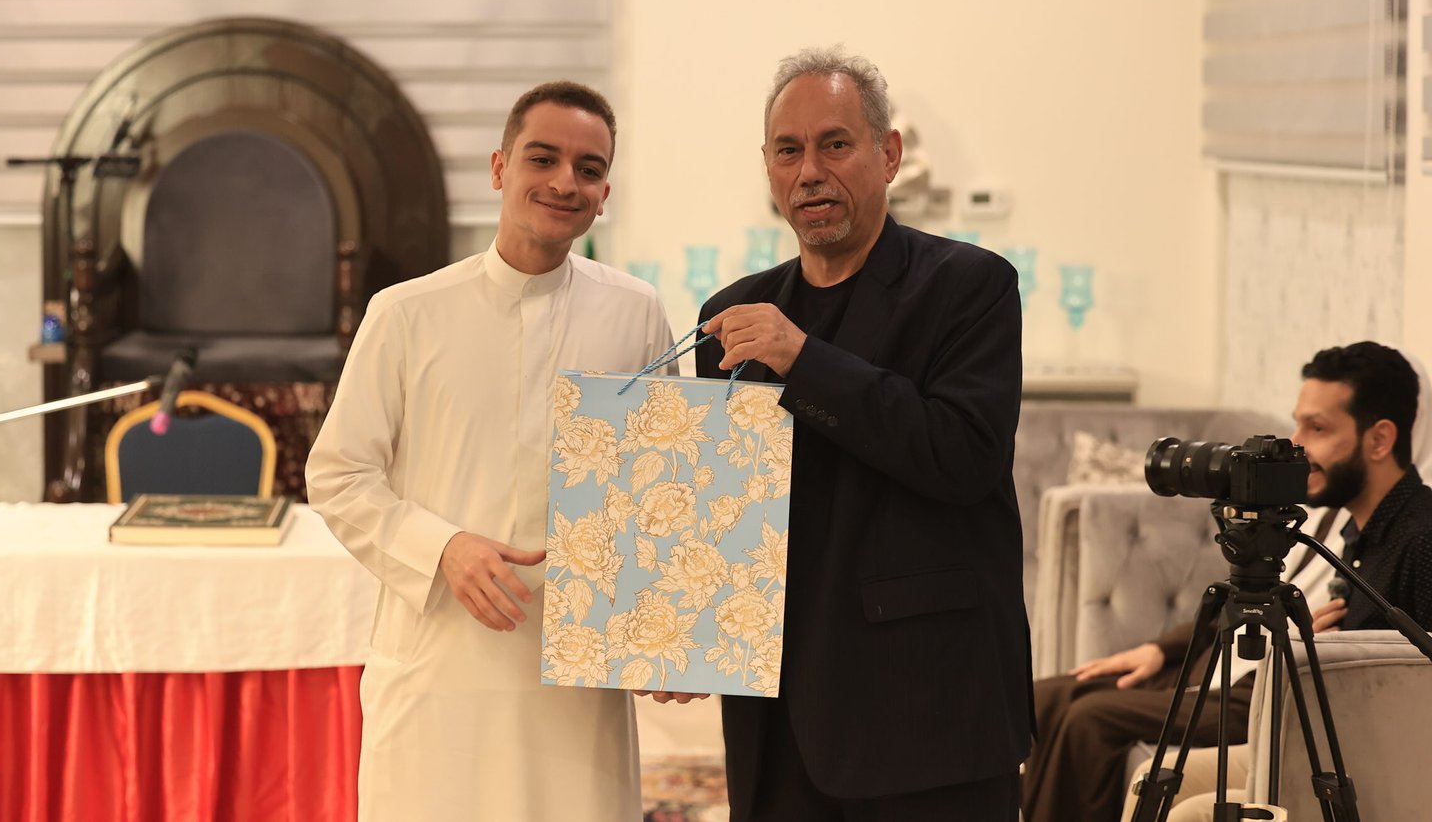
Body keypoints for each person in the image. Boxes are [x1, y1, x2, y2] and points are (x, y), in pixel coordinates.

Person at [306, 81, 674, 822]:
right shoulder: (406, 313)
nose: (565, 182)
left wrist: (664, 630)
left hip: (576, 686)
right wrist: (442, 548)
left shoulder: (635, 313)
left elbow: (662, 490)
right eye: (543, 158)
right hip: (439, 662)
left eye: (589, 168)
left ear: (604, 195)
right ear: (501, 167)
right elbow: (339, 474)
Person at [694, 47, 1031, 821]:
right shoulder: (732, 315)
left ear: (889, 154)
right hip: (775, 721)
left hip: (928, 714)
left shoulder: (971, 287)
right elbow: (721, 512)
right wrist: (683, 631)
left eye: (835, 144)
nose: (810, 171)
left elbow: (963, 456)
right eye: (788, 151)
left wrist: (802, 359)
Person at [1026, 340, 1432, 822]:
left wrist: (1323, 652)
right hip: (1270, 686)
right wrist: (1160, 649)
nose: (1296, 445)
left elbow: (1408, 686)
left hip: (1309, 719)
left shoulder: (1419, 538)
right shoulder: (1351, 523)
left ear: (1379, 440)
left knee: (1092, 723)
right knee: (1047, 696)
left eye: (1318, 428)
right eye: (1298, 424)